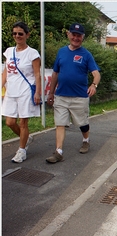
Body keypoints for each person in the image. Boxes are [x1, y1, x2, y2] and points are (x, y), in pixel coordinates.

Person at [45, 23, 101, 163]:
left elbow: (96, 74)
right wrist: (51, 93)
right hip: (61, 95)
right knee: (60, 123)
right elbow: (55, 73)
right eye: (73, 34)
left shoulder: (86, 54)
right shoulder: (61, 52)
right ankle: (58, 151)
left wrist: (94, 85)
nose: (75, 38)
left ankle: (86, 140)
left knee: (82, 123)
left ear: (83, 37)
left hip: (79, 97)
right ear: (68, 34)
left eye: (79, 35)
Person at [2, 21, 42, 163]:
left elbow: (37, 74)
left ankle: (22, 150)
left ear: (27, 35)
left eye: (20, 33)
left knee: (23, 122)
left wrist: (38, 92)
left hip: (25, 90)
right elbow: (6, 71)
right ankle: (26, 138)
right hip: (11, 91)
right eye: (14, 33)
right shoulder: (9, 51)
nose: (17, 36)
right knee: (9, 122)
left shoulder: (32, 53)